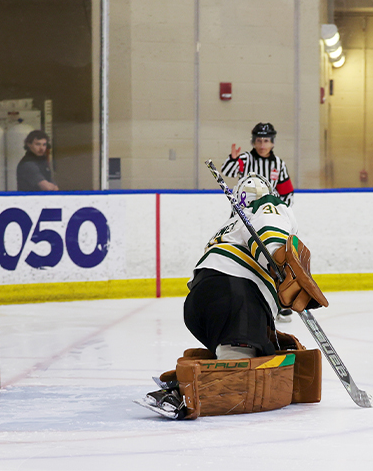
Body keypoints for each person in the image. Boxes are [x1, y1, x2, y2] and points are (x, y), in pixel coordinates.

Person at [137, 174, 328, 420]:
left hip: (202, 301)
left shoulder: (230, 225)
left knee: (256, 356)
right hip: (236, 293)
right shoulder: (269, 205)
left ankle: (198, 374)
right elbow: (269, 228)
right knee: (240, 379)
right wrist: (278, 260)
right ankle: (182, 393)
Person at [221, 122, 296, 322]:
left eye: (266, 141)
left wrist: (280, 212)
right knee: (241, 258)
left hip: (268, 220)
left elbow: (287, 192)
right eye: (258, 141)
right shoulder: (245, 158)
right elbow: (226, 171)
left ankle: (280, 303)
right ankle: (239, 301)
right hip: (243, 220)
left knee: (273, 260)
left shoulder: (278, 164)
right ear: (253, 142)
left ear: (272, 142)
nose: (262, 145)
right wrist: (233, 159)